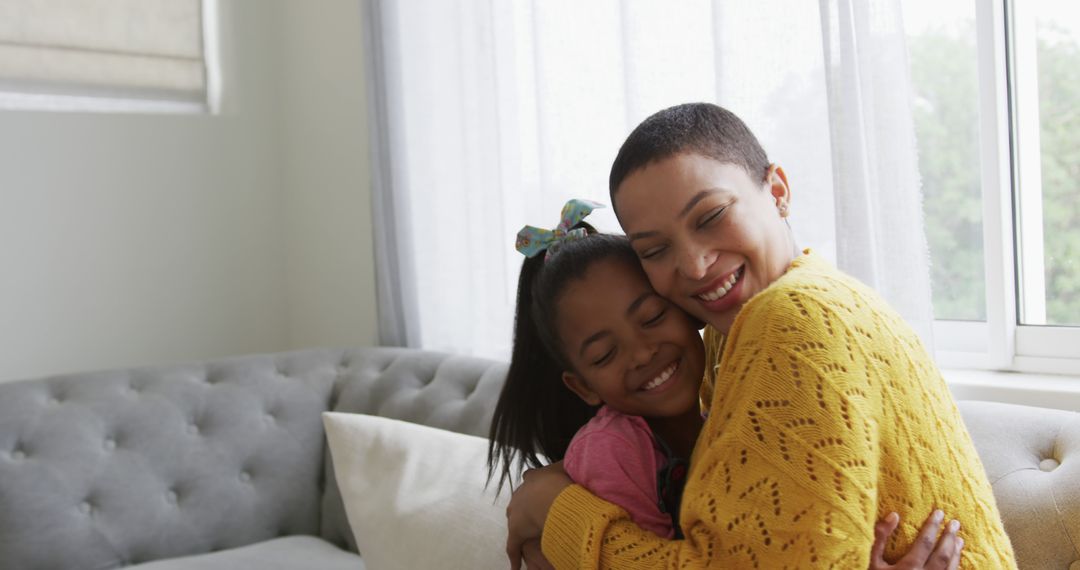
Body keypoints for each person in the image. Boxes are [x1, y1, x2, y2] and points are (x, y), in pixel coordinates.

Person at [503, 103, 1017, 569]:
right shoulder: (746, 333)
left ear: (777, 192)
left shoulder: (792, 316)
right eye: (655, 251)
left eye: (711, 217)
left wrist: (562, 515)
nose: (694, 264)